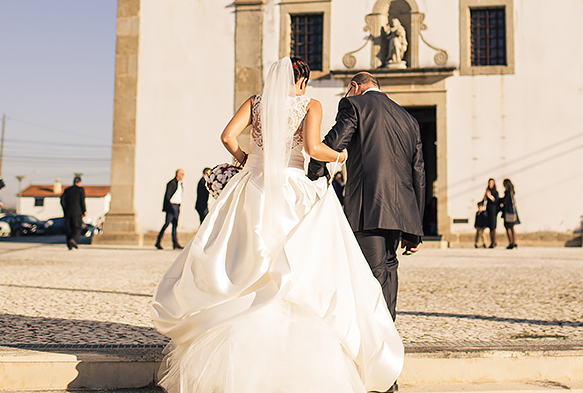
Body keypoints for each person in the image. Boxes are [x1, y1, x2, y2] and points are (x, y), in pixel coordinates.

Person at [152, 58, 402, 393]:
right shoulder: (309, 104)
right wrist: (342, 157)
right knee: (299, 263)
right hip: (291, 187)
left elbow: (227, 136)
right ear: (302, 81)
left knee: (244, 261)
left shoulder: (255, 102)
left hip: (252, 185)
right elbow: (314, 149)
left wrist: (246, 161)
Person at [310, 71, 426, 331]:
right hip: (400, 212)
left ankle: (379, 346)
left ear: (354, 86)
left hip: (368, 205)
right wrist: (414, 229)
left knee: (371, 276)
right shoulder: (407, 118)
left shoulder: (354, 105)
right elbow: (419, 173)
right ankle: (387, 341)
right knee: (388, 268)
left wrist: (314, 174)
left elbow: (335, 142)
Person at [156, 169, 185, 250]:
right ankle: (158, 241)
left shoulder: (180, 184)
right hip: (172, 206)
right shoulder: (172, 183)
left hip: (177, 205)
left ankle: (175, 243)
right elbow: (168, 196)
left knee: (175, 225)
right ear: (177, 174)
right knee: (167, 223)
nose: (183, 176)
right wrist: (169, 207)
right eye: (181, 174)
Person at [60, 176, 86, 250]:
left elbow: (62, 201)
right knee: (77, 228)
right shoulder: (80, 190)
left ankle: (69, 244)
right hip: (77, 213)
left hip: (68, 213)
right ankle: (74, 240)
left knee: (69, 228)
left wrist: (65, 209)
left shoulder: (67, 190)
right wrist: (84, 211)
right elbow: (82, 201)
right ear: (80, 182)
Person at [501, 178, 519, 249]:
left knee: (507, 226)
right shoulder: (512, 191)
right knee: (512, 226)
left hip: (508, 210)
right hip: (512, 210)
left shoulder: (508, 192)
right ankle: (514, 242)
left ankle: (511, 242)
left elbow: (505, 201)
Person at [482, 178, 500, 249]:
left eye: (491, 183)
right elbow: (484, 200)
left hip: (493, 211)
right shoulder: (487, 191)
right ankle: (491, 241)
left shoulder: (496, 192)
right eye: (489, 183)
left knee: (493, 227)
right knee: (490, 227)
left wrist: (490, 197)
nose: (490, 185)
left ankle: (494, 242)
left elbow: (496, 201)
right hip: (488, 210)